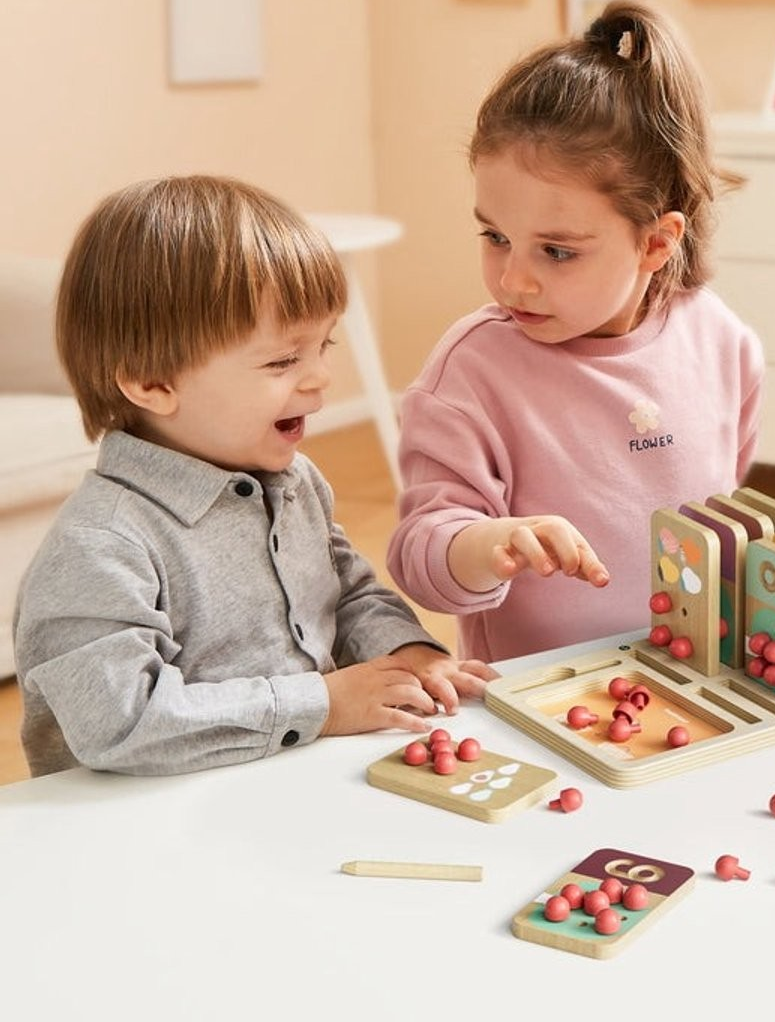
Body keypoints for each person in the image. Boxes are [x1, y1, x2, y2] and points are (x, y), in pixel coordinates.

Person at [15, 175, 495, 777]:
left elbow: (345, 595)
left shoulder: (295, 483)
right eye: (283, 360)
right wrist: (321, 704)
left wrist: (406, 650)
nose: (320, 377)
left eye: (323, 346)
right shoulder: (100, 547)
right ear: (151, 383)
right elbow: (122, 721)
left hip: (277, 781)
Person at [387, 0, 764, 662]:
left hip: (690, 676)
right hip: (538, 701)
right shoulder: (470, 374)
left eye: (557, 251)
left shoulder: (722, 342)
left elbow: (723, 513)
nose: (514, 280)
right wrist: (484, 546)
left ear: (656, 242)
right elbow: (420, 555)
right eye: (496, 238)